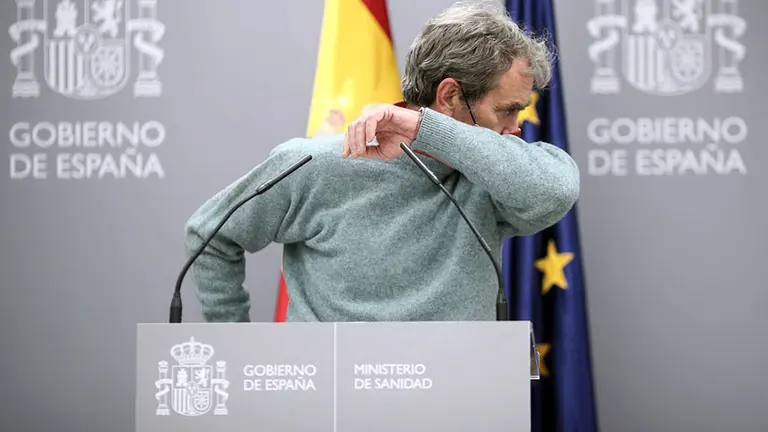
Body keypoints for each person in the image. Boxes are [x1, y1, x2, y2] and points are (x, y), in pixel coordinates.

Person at [184, 2, 580, 322]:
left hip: (454, 389)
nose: (515, 128)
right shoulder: (311, 164)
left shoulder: (491, 174)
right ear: (449, 96)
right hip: (330, 392)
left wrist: (428, 130)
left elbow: (556, 191)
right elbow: (211, 235)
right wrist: (235, 347)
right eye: (507, 110)